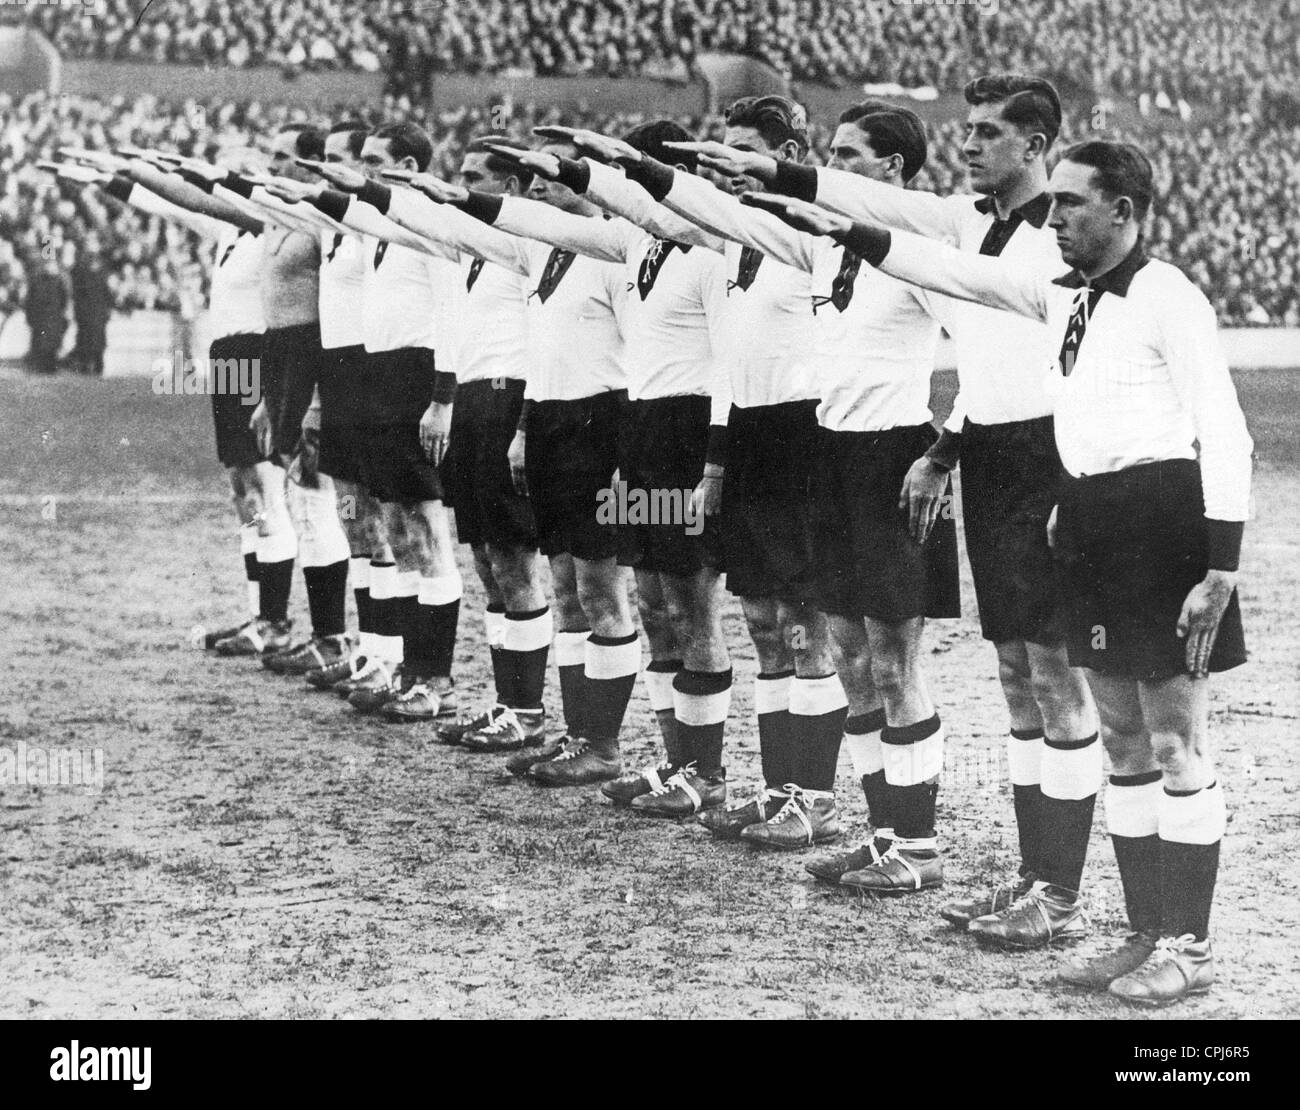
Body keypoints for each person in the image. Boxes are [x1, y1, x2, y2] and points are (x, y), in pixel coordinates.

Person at [755, 138, 1251, 1005]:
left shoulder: (1168, 295)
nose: (1055, 219)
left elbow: (1226, 429)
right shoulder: (1063, 295)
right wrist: (847, 226)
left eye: (1073, 204)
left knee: (1176, 744)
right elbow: (957, 273)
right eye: (1053, 204)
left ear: (1124, 211)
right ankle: (1144, 933)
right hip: (1091, 523)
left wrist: (1220, 569)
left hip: (1162, 526)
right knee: (1125, 743)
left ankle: (1190, 944)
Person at [696, 74, 1102, 945]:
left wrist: (943, 449)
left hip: (1025, 456)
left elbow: (1060, 358)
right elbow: (856, 217)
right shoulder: (969, 222)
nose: (969, 143)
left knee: (1049, 677)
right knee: (1004, 674)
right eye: (967, 129)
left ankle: (1032, 881)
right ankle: (964, 858)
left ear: (1036, 145)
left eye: (987, 131)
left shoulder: (1054, 238)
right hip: (956, 455)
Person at [24, 255, 68, 375]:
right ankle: (40, 366)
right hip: (40, 317)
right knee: (40, 342)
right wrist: (30, 315)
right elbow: (30, 299)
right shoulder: (36, 281)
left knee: (53, 343)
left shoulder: (59, 282)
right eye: (48, 265)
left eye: (53, 266)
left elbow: (63, 299)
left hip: (54, 317)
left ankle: (51, 366)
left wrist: (60, 313)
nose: (50, 268)